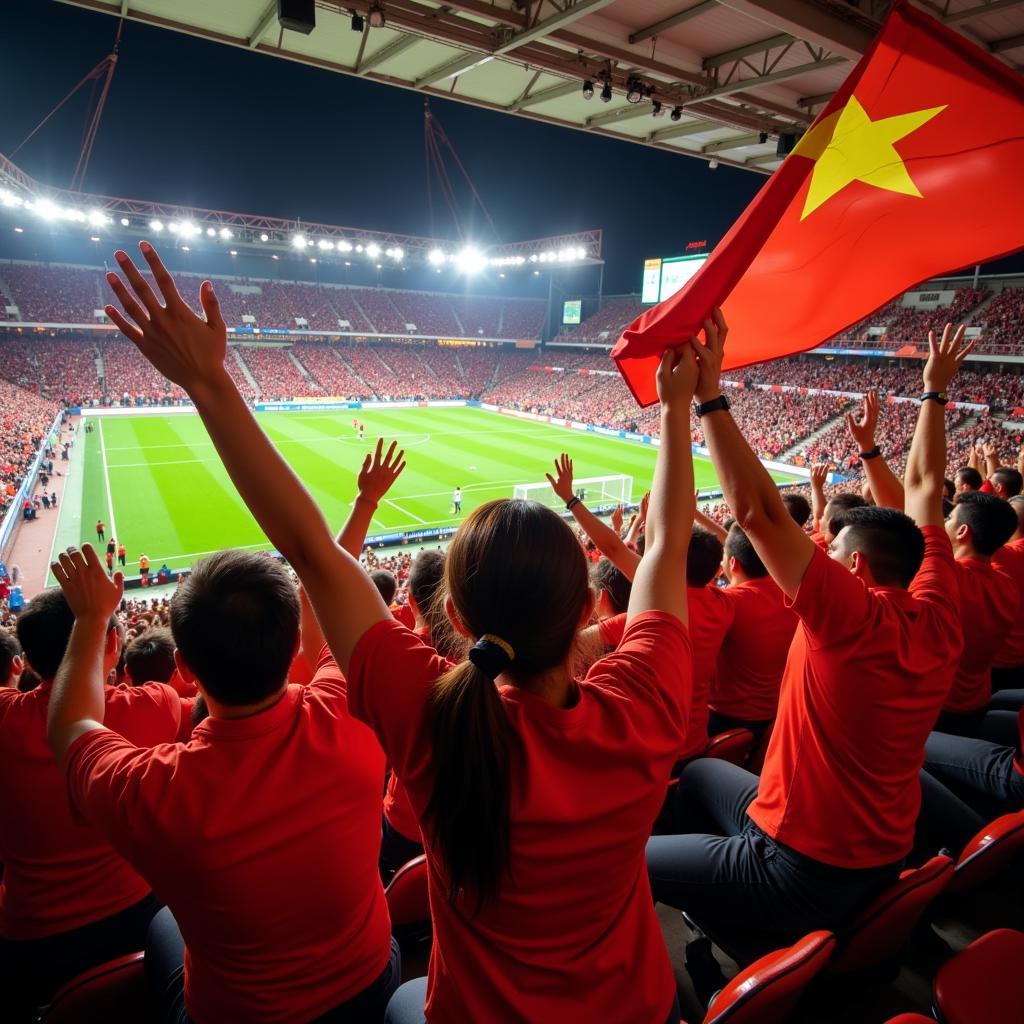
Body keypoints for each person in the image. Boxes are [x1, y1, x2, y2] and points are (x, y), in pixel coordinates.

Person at [103, 242, 700, 1024]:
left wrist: (207, 380)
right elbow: (664, 547)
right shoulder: (645, 701)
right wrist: (688, 404)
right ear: (589, 610)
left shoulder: (435, 719)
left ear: (455, 619)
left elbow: (311, 550)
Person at [646, 322, 969, 970]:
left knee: (621, 855)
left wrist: (707, 398)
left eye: (835, 548)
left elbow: (760, 514)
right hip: (880, 847)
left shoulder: (851, 621)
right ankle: (714, 904)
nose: (823, 549)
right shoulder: (940, 611)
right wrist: (931, 395)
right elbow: (927, 488)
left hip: (796, 867)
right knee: (703, 772)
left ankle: (705, 944)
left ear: (855, 572)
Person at [47, 539, 400, 1024]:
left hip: (240, 1013)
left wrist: (89, 621)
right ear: (294, 643)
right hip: (372, 980)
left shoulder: (152, 788)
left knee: (163, 926)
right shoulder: (353, 706)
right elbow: (331, 607)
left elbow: (69, 725)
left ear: (185, 669)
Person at [1, 587, 185, 1021]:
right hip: (139, 918)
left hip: (29, 943)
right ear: (113, 645)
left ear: (26, 661)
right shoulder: (154, 704)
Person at [708, 524, 798, 739]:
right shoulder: (792, 592)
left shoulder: (727, 602)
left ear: (732, 563)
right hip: (775, 714)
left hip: (726, 718)